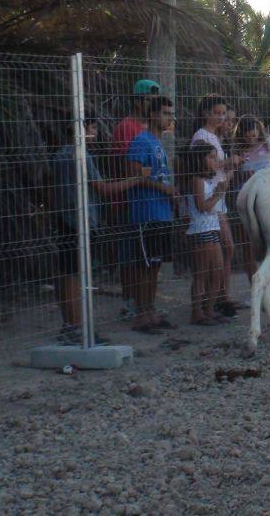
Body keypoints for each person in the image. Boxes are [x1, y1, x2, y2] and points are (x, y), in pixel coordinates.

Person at [50, 116, 148, 344]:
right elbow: (103, 188)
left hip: (65, 219)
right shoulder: (81, 155)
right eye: (92, 127)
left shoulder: (61, 155)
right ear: (81, 128)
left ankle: (69, 325)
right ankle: (78, 329)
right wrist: (136, 179)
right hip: (80, 221)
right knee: (76, 275)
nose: (95, 131)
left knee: (66, 273)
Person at [124, 95, 180, 333]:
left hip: (161, 211)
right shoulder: (141, 141)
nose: (170, 118)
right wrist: (164, 189)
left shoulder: (158, 143)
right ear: (154, 114)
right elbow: (135, 174)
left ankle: (150, 310)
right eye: (166, 113)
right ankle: (141, 314)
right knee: (144, 265)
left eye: (171, 113)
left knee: (154, 264)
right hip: (146, 211)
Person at [191, 94, 246, 316]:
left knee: (226, 248)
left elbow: (220, 170)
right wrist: (228, 162)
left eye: (224, 113)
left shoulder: (215, 136)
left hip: (218, 198)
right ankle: (214, 299)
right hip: (209, 200)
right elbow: (204, 164)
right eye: (218, 113)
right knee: (222, 250)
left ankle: (220, 296)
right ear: (206, 114)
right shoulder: (201, 136)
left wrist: (232, 167)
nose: (222, 117)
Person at [112, 78, 161, 321]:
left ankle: (144, 302)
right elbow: (128, 168)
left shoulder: (149, 130)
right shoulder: (126, 127)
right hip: (129, 200)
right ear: (138, 100)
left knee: (147, 256)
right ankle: (130, 301)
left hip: (150, 201)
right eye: (149, 100)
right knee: (131, 255)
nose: (152, 104)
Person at [182, 142, 230, 326]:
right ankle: (197, 312)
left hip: (212, 228)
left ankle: (209, 309)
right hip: (200, 230)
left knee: (216, 271)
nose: (215, 161)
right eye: (211, 157)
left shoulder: (208, 180)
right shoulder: (197, 181)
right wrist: (218, 194)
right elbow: (202, 206)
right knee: (202, 273)